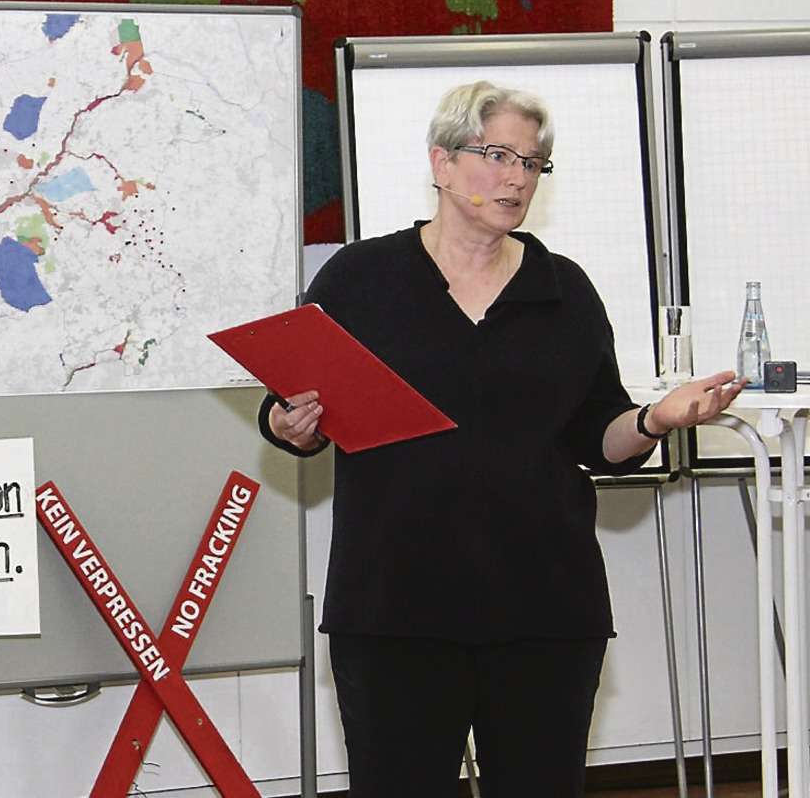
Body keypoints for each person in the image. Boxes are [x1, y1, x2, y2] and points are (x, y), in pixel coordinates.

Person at [260, 80, 742, 797]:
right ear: (442, 162)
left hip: (544, 608)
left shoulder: (564, 290)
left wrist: (653, 420)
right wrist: (287, 424)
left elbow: (598, 436)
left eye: (532, 162)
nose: (516, 177)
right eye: (496, 155)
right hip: (396, 611)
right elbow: (288, 406)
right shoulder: (363, 277)